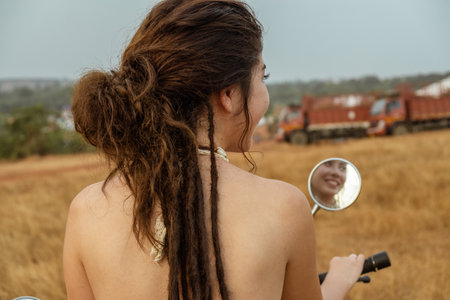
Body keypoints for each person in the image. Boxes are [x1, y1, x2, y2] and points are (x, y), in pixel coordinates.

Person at [63, 1, 364, 299]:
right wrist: (337, 282)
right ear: (230, 94)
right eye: (263, 77)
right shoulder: (284, 207)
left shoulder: (85, 210)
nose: (264, 91)